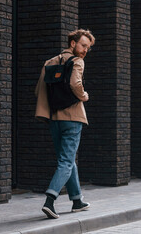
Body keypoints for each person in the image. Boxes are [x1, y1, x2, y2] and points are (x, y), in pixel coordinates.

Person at [34, 29, 95, 219]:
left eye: (88, 47)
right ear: (73, 43)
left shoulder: (50, 62)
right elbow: (76, 84)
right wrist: (84, 96)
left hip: (54, 119)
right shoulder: (77, 61)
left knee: (67, 160)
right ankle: (50, 200)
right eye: (83, 45)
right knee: (66, 161)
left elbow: (39, 90)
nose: (85, 50)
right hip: (73, 118)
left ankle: (77, 200)